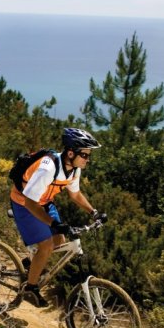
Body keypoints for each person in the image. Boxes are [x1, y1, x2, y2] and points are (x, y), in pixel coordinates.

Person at [9, 127, 106, 308]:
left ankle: (32, 263)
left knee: (59, 240)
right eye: (85, 155)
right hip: (23, 202)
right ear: (71, 153)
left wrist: (94, 212)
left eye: (89, 155)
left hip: (43, 201)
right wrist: (53, 222)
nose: (88, 159)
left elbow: (75, 195)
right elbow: (30, 203)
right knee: (46, 245)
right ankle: (30, 288)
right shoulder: (49, 168)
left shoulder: (74, 169)